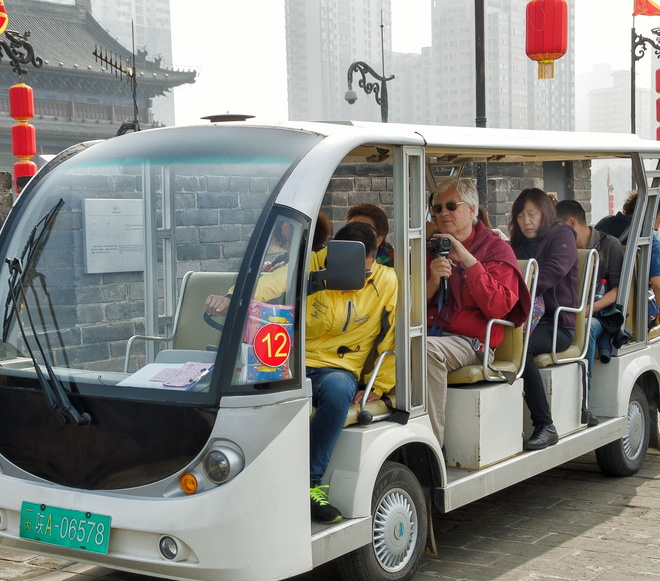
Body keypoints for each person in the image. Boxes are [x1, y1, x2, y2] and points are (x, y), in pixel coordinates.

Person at [207, 221, 397, 524]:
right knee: (245, 388)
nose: (357, 280)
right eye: (350, 270)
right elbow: (270, 283)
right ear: (332, 256)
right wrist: (232, 297)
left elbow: (393, 336)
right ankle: (241, 481)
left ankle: (308, 484)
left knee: (336, 395)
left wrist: (381, 384)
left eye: (365, 272)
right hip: (292, 360)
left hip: (339, 367)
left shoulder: (386, 281)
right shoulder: (312, 263)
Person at [425, 178, 530, 447]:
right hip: (432, 332)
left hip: (473, 343)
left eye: (451, 206)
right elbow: (410, 305)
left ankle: (431, 446)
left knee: (424, 351)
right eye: (437, 209)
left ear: (471, 210)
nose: (443, 213)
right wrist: (432, 282)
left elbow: (499, 305)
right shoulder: (430, 248)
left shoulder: (496, 249)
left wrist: (469, 261)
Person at [509, 188, 579, 451]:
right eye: (520, 216)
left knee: (520, 351)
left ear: (545, 213)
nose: (526, 221)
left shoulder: (562, 235)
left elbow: (550, 273)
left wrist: (509, 293)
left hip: (556, 323)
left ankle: (545, 424)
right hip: (523, 319)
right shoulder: (515, 244)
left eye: (532, 214)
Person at [597, 191, 660, 384]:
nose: (656, 227)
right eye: (659, 221)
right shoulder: (647, 236)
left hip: (596, 295)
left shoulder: (604, 225)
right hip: (627, 307)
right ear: (650, 215)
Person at [557, 199, 623, 425]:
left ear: (572, 223)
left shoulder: (609, 245)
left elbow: (617, 290)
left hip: (599, 314)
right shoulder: (562, 249)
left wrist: (588, 310)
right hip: (568, 310)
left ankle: (583, 401)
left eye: (559, 227)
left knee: (586, 329)